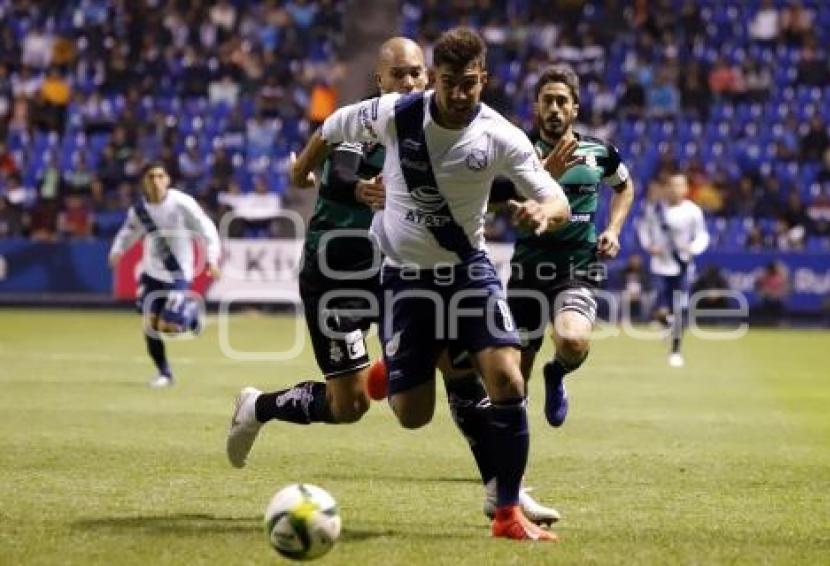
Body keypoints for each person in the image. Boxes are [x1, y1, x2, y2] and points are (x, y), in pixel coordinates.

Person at [226, 36, 561, 531]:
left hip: (401, 270)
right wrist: (318, 175)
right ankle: (261, 405)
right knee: (351, 404)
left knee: (466, 371)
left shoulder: (454, 127)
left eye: (415, 73)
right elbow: (338, 166)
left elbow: (466, 190)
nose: (409, 82)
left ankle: (501, 492)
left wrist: (526, 197)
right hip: (338, 271)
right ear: (378, 80)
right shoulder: (379, 119)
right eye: (398, 74)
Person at [505, 66, 634, 426]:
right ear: (536, 107)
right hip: (528, 267)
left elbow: (624, 187)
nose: (555, 108)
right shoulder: (518, 151)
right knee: (514, 376)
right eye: (548, 101)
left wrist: (613, 229)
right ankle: (512, 459)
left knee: (573, 340)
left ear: (575, 108)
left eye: (563, 101)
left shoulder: (600, 152)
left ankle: (558, 372)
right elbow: (503, 196)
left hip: (577, 267)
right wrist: (545, 174)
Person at [108, 162, 221, 387]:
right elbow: (127, 233)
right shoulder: (139, 211)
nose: (156, 181)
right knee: (150, 326)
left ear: (167, 180)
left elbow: (206, 228)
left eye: (160, 176)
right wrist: (117, 251)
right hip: (152, 273)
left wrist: (212, 258)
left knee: (168, 327)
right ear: (144, 182)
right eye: (151, 176)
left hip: (178, 272)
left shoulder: (182, 203)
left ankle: (191, 315)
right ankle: (165, 374)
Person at [638, 173, 709, 368]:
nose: (676, 189)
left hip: (682, 266)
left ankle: (676, 350)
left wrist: (692, 248)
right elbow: (644, 229)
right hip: (660, 266)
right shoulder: (655, 209)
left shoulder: (693, 211)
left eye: (680, 186)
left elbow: (702, 235)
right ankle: (666, 322)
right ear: (667, 187)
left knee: (679, 309)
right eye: (672, 185)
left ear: (686, 189)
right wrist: (649, 246)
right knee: (659, 308)